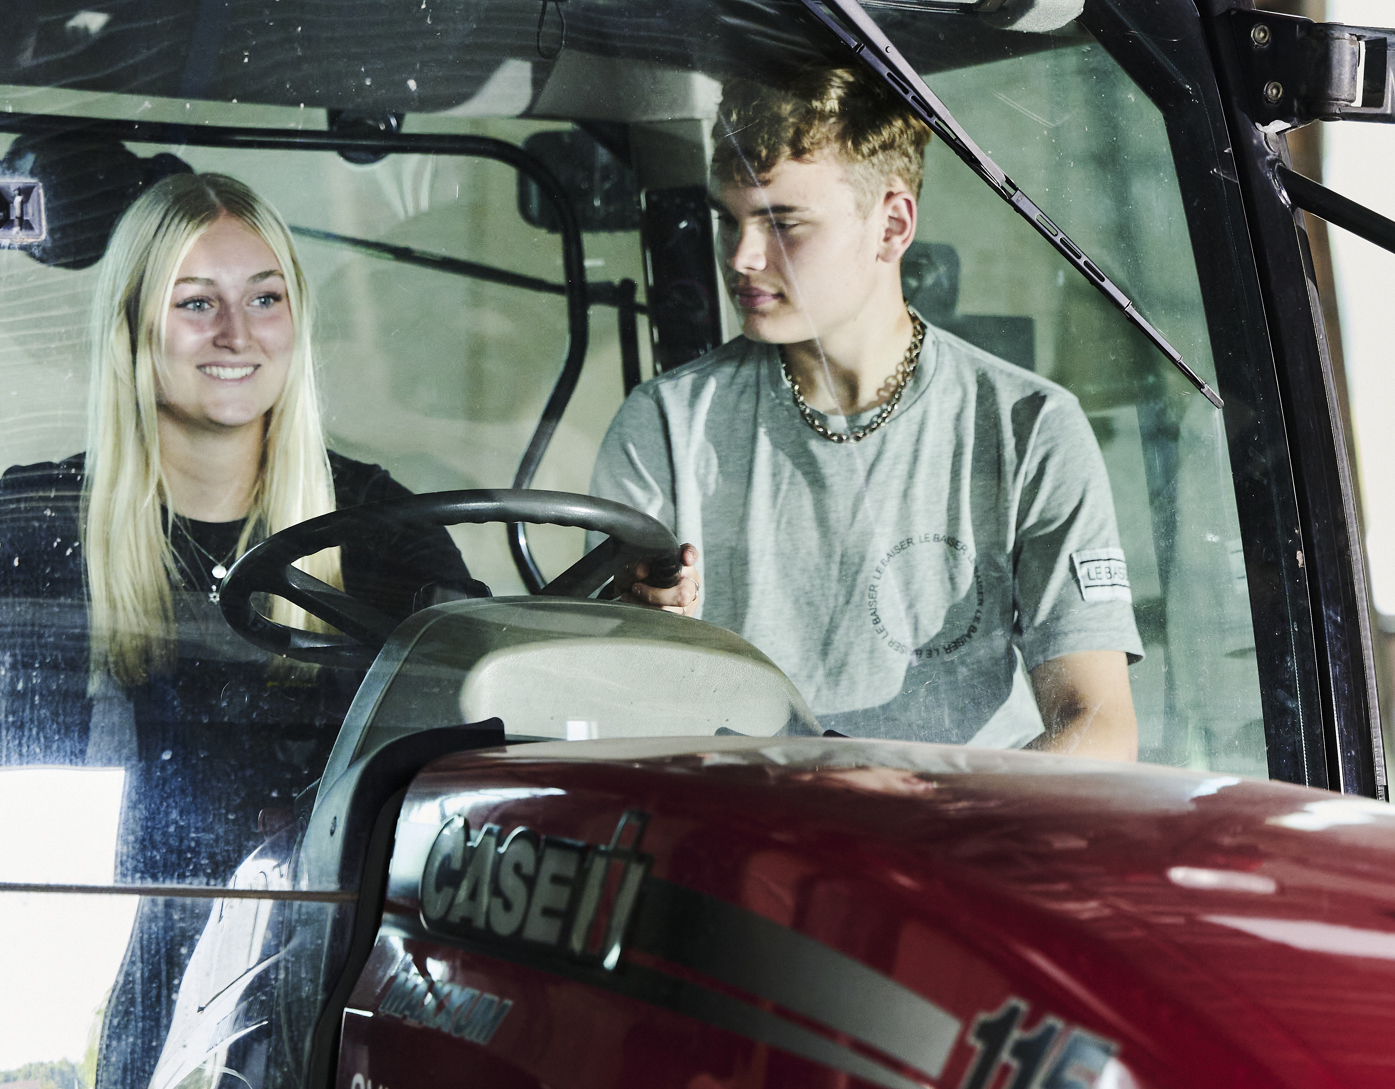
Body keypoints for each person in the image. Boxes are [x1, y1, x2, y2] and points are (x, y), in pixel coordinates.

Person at [0, 171, 470, 1087]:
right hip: (104, 966)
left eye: (265, 297)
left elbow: (481, 700)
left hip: (343, 960)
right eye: (195, 303)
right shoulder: (30, 528)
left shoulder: (383, 533)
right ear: (133, 324)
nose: (236, 333)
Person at [589, 68, 1142, 758]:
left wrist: (931, 818)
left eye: (781, 222)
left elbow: (1098, 727)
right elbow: (604, 708)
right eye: (730, 220)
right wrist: (641, 630)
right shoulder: (666, 425)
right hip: (730, 836)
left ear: (891, 224)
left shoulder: (1029, 427)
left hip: (945, 844)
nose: (740, 256)